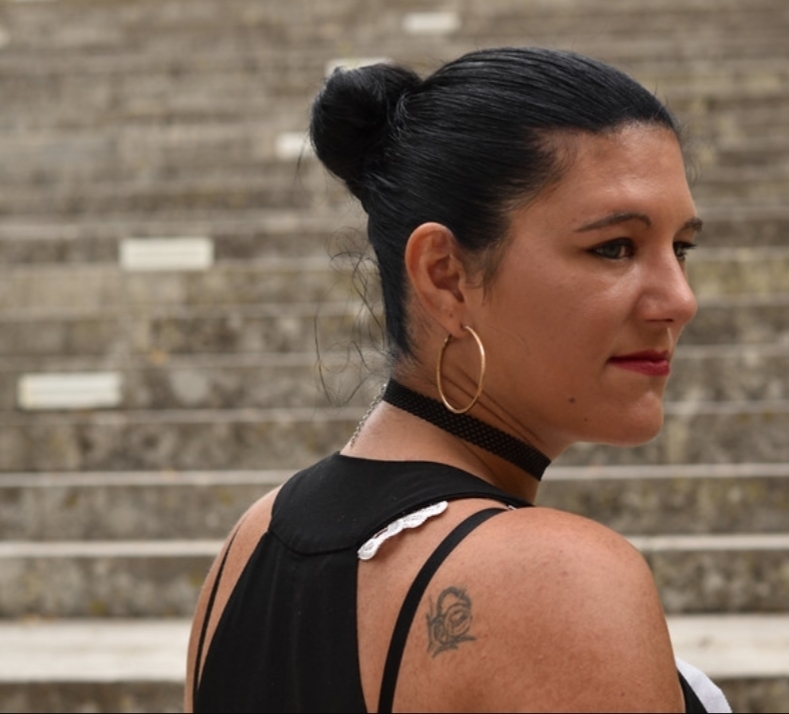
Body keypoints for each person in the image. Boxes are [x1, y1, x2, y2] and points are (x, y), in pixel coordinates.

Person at [185, 47, 730, 713]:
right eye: (613, 247)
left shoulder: (249, 543)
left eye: (681, 248)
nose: (679, 300)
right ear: (444, 276)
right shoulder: (553, 579)